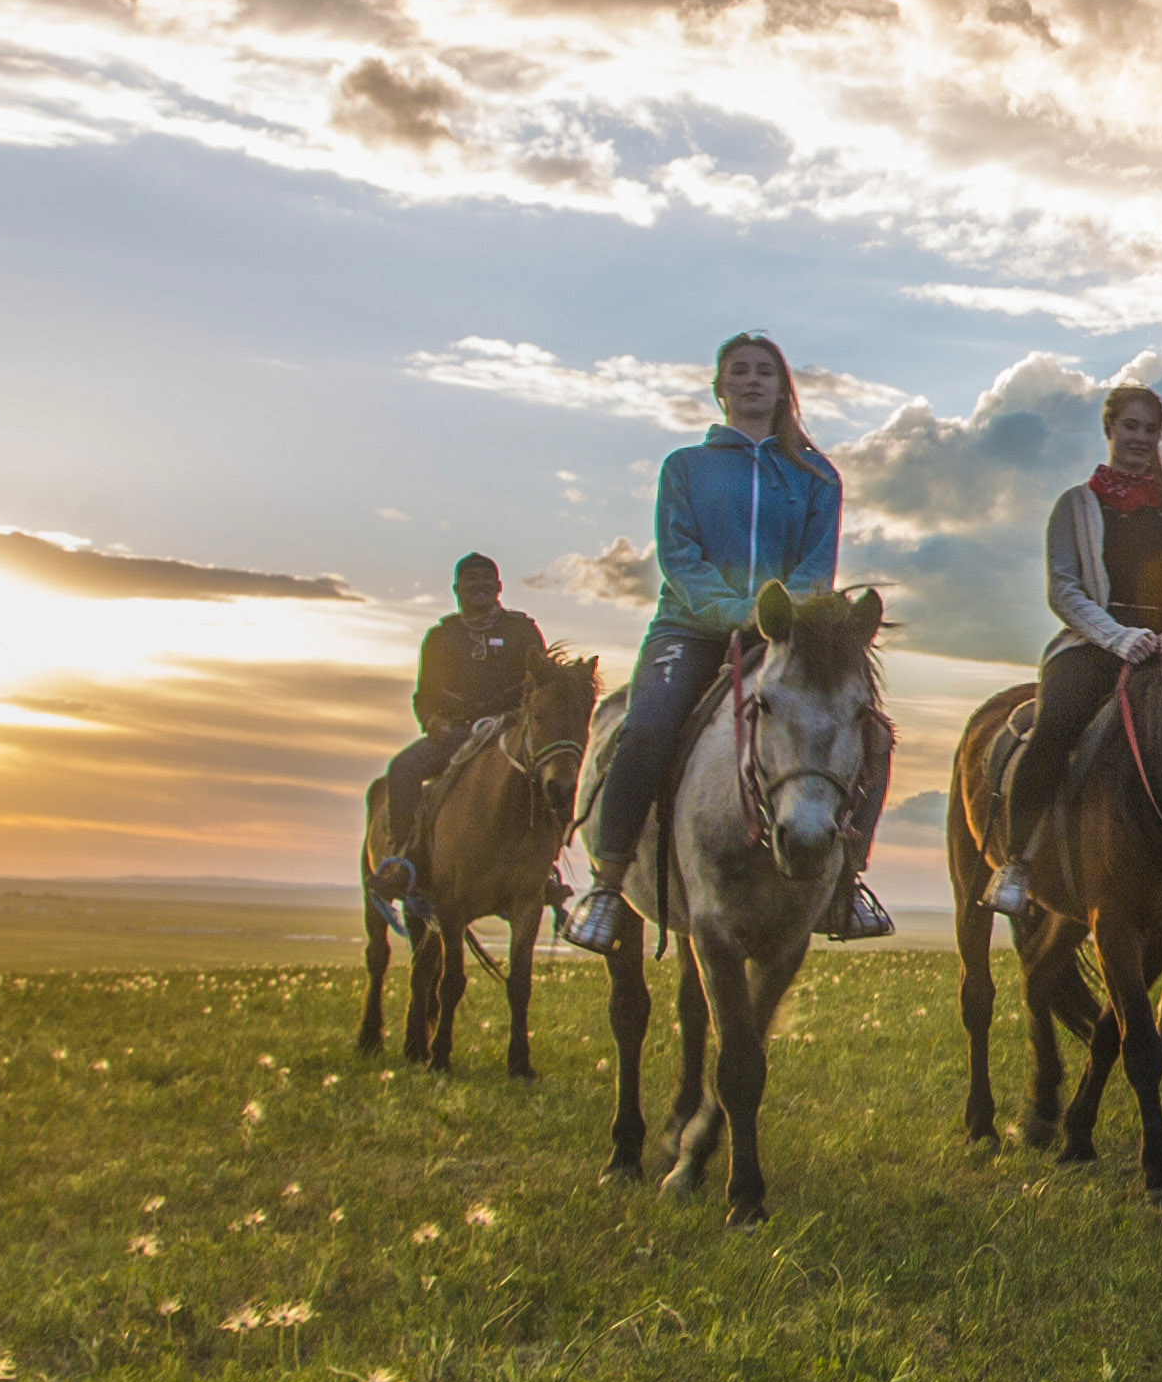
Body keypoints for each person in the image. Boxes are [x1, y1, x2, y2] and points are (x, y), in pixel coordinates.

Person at [561, 333, 883, 949]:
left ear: (783, 388)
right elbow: (680, 560)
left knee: (871, 731)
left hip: (783, 633)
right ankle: (607, 882)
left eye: (766, 371)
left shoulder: (816, 476)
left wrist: (779, 619)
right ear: (720, 387)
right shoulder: (685, 468)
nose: (753, 380)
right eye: (740, 371)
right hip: (688, 627)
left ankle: (847, 882)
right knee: (647, 728)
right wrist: (742, 613)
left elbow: (817, 569)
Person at [988, 380, 1162, 921]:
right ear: (1109, 429)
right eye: (1130, 426)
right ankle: (1018, 860)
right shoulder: (1075, 505)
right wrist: (1119, 637)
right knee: (1054, 730)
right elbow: (1063, 590)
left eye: (1150, 429)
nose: (1139, 437)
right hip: (1089, 646)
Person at [372, 555, 550, 905]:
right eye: (470, 582)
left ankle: (548, 866)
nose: (479, 588)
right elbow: (424, 696)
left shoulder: (522, 631)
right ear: (456, 589)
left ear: (499, 587)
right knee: (403, 769)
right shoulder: (441, 637)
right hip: (452, 736)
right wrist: (432, 722)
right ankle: (403, 859)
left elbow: (540, 686)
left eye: (487, 581)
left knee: (549, 774)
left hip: (506, 738)